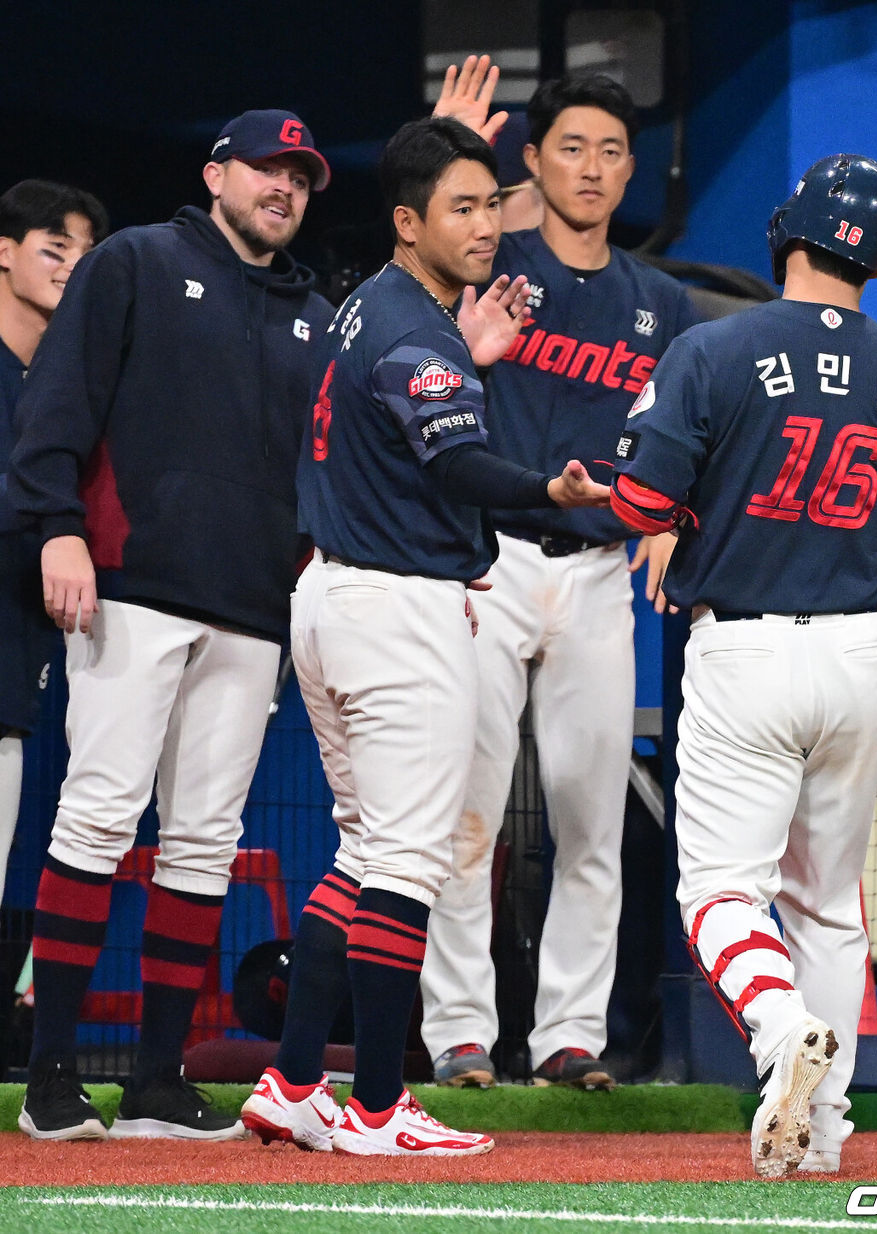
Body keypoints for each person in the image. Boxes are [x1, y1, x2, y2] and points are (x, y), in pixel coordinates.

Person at [239, 115, 610, 1156]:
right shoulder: (415, 330)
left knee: (365, 849)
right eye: (461, 208)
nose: (486, 225)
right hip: (396, 613)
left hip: (335, 598)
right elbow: (457, 466)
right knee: (409, 859)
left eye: (491, 203)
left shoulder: (373, 305)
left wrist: (470, 357)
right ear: (408, 222)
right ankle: (374, 1107)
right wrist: (547, 489)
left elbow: (405, 440)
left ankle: (294, 1081)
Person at [609, 154, 877, 1176]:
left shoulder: (711, 349)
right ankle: (824, 1133)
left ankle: (777, 1029)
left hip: (746, 644)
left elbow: (639, 502)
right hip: (860, 650)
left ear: (785, 231)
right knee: (829, 902)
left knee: (722, 891)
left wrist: (673, 506)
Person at [8, 110, 335, 1141]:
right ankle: (50, 1076)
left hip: (251, 608)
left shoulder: (315, 316)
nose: (283, 188)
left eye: (300, 177)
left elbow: (325, 467)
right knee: (98, 818)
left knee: (202, 843)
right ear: (216, 174)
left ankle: (156, 1078)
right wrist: (58, 527)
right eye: (267, 169)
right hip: (131, 584)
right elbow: (56, 401)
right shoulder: (138, 261)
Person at [420, 70, 699, 1091]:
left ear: (630, 170)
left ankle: (568, 1037)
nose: (591, 168)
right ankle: (459, 1034)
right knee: (467, 812)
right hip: (487, 560)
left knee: (591, 818)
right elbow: (403, 316)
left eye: (611, 151)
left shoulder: (661, 303)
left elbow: (688, 441)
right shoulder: (491, 262)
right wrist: (443, 152)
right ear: (531, 162)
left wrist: (670, 514)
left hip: (595, 575)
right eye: (571, 148)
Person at [0, 180, 108, 910]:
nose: (73, 267)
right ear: (4, 252)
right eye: (55, 248)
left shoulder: (72, 389)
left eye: (86, 254)